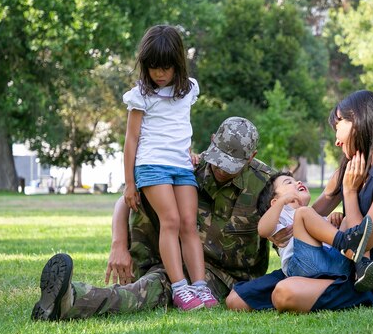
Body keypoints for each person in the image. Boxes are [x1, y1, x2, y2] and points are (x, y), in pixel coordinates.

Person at [31, 117, 274, 321]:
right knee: (155, 281)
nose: (221, 169)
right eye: (219, 159)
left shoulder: (267, 184)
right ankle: (66, 299)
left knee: (152, 289)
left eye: (231, 165)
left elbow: (291, 226)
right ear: (212, 141)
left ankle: (73, 298)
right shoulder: (188, 169)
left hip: (227, 277)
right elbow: (127, 200)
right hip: (176, 260)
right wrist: (118, 244)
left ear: (251, 157)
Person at [226, 90, 373, 312]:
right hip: (333, 262)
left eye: (338, 127)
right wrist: (283, 232)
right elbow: (310, 214)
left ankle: (313, 289)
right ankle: (312, 284)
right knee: (236, 300)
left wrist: (349, 192)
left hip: (370, 272)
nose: (336, 141)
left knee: (284, 293)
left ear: (357, 119)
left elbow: (364, 244)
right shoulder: (348, 167)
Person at [122, 25, 208, 310]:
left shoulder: (189, 89)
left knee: (188, 224)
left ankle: (201, 286)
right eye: (153, 67)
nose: (159, 73)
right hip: (151, 165)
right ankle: (181, 289)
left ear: (178, 65)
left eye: (166, 68)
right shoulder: (141, 95)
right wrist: (130, 183)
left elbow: (179, 126)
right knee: (169, 221)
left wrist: (188, 151)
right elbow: (131, 140)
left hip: (181, 166)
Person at [257, 171, 373, 292]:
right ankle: (347, 245)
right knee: (303, 212)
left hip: (334, 266)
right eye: (288, 182)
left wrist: (335, 221)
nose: (298, 182)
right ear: (274, 201)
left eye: (295, 180)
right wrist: (281, 202)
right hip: (302, 268)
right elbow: (262, 230)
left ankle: (361, 269)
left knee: (347, 220)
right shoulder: (281, 214)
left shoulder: (314, 216)